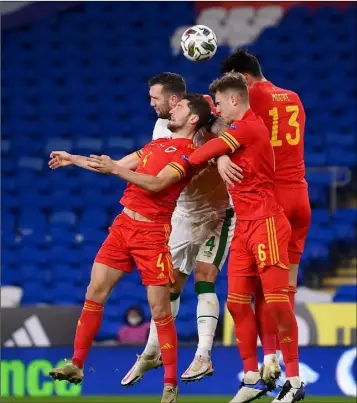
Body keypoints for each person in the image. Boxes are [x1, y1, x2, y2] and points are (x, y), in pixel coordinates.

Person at [49, 73, 241, 384]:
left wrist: (221, 154)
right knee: (167, 290)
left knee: (203, 278)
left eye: (155, 98)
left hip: (215, 213)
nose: (151, 104)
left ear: (177, 103)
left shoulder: (201, 128)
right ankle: (145, 355)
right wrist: (74, 159)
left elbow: (157, 182)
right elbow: (122, 165)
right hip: (176, 214)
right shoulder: (160, 135)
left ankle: (201, 356)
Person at [187, 73, 304, 403]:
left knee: (278, 300)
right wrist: (221, 154)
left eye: (220, 102)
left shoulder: (250, 127)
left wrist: (184, 159)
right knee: (236, 303)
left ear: (234, 100)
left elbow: (197, 156)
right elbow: (216, 144)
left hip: (267, 222)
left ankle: (294, 381)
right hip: (244, 228)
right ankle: (252, 377)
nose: (218, 109)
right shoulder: (235, 132)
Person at [220, 49, 311, 386]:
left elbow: (223, 126)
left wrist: (218, 157)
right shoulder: (294, 97)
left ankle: (274, 361)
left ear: (241, 81)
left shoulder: (250, 98)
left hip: (272, 199)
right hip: (300, 196)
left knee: (262, 289)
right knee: (285, 289)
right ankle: (276, 363)